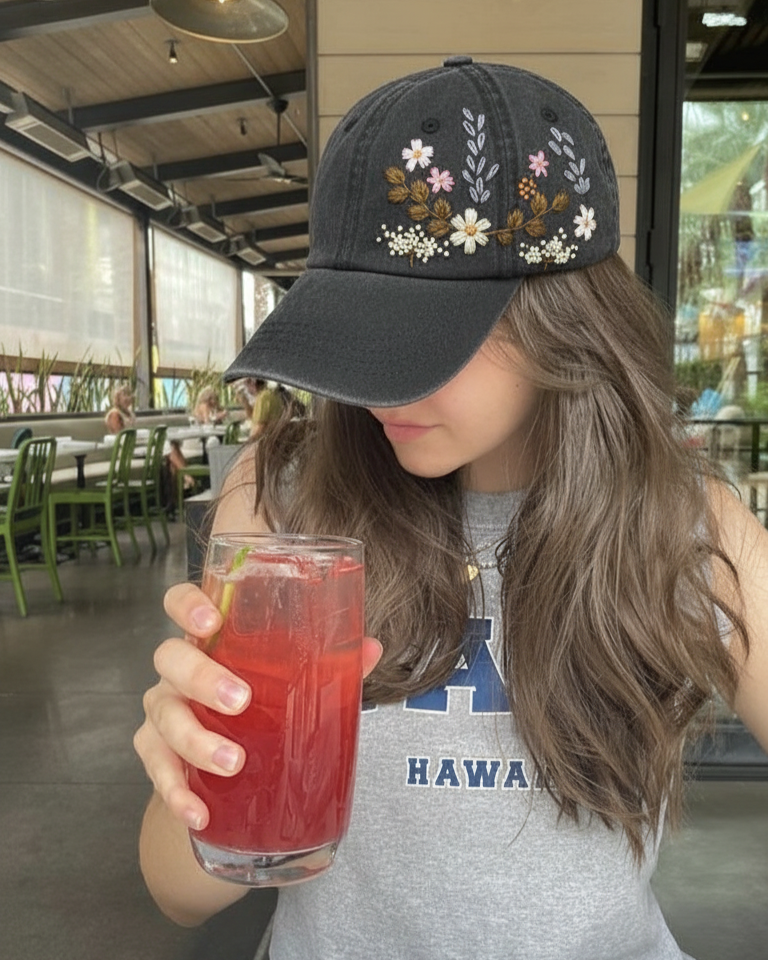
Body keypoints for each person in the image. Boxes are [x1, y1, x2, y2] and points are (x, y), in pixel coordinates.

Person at [133, 59, 768, 959]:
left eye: (423, 328)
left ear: (563, 311)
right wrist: (206, 776)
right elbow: (177, 889)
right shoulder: (283, 508)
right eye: (357, 324)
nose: (377, 381)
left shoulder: (684, 525)